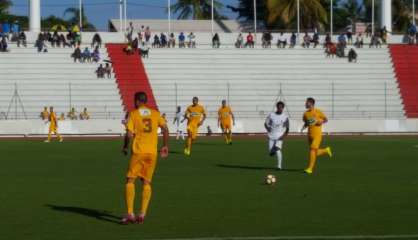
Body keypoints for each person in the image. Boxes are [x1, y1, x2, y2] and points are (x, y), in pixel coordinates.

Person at [121, 91, 169, 224]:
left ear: (137, 101)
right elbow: (165, 129)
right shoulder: (155, 114)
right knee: (147, 182)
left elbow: (129, 134)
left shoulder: (134, 114)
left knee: (130, 180)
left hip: (139, 152)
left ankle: (130, 213)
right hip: (152, 153)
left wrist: (125, 146)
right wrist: (165, 146)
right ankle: (142, 213)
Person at [301, 98, 332, 174]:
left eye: (306, 102)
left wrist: (320, 121)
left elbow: (325, 120)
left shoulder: (318, 111)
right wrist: (303, 127)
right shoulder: (305, 114)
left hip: (317, 135)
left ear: (311, 103)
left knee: (312, 149)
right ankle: (326, 150)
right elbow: (307, 122)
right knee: (315, 152)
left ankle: (310, 168)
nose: (305, 104)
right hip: (309, 135)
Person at [264, 101, 289, 170]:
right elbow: (265, 123)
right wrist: (268, 128)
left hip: (279, 136)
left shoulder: (285, 117)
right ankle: (272, 151)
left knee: (278, 149)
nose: (279, 108)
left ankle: (279, 166)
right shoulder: (271, 115)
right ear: (276, 107)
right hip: (271, 136)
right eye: (278, 107)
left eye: (281, 107)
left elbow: (287, 128)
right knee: (271, 151)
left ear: (283, 108)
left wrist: (283, 136)